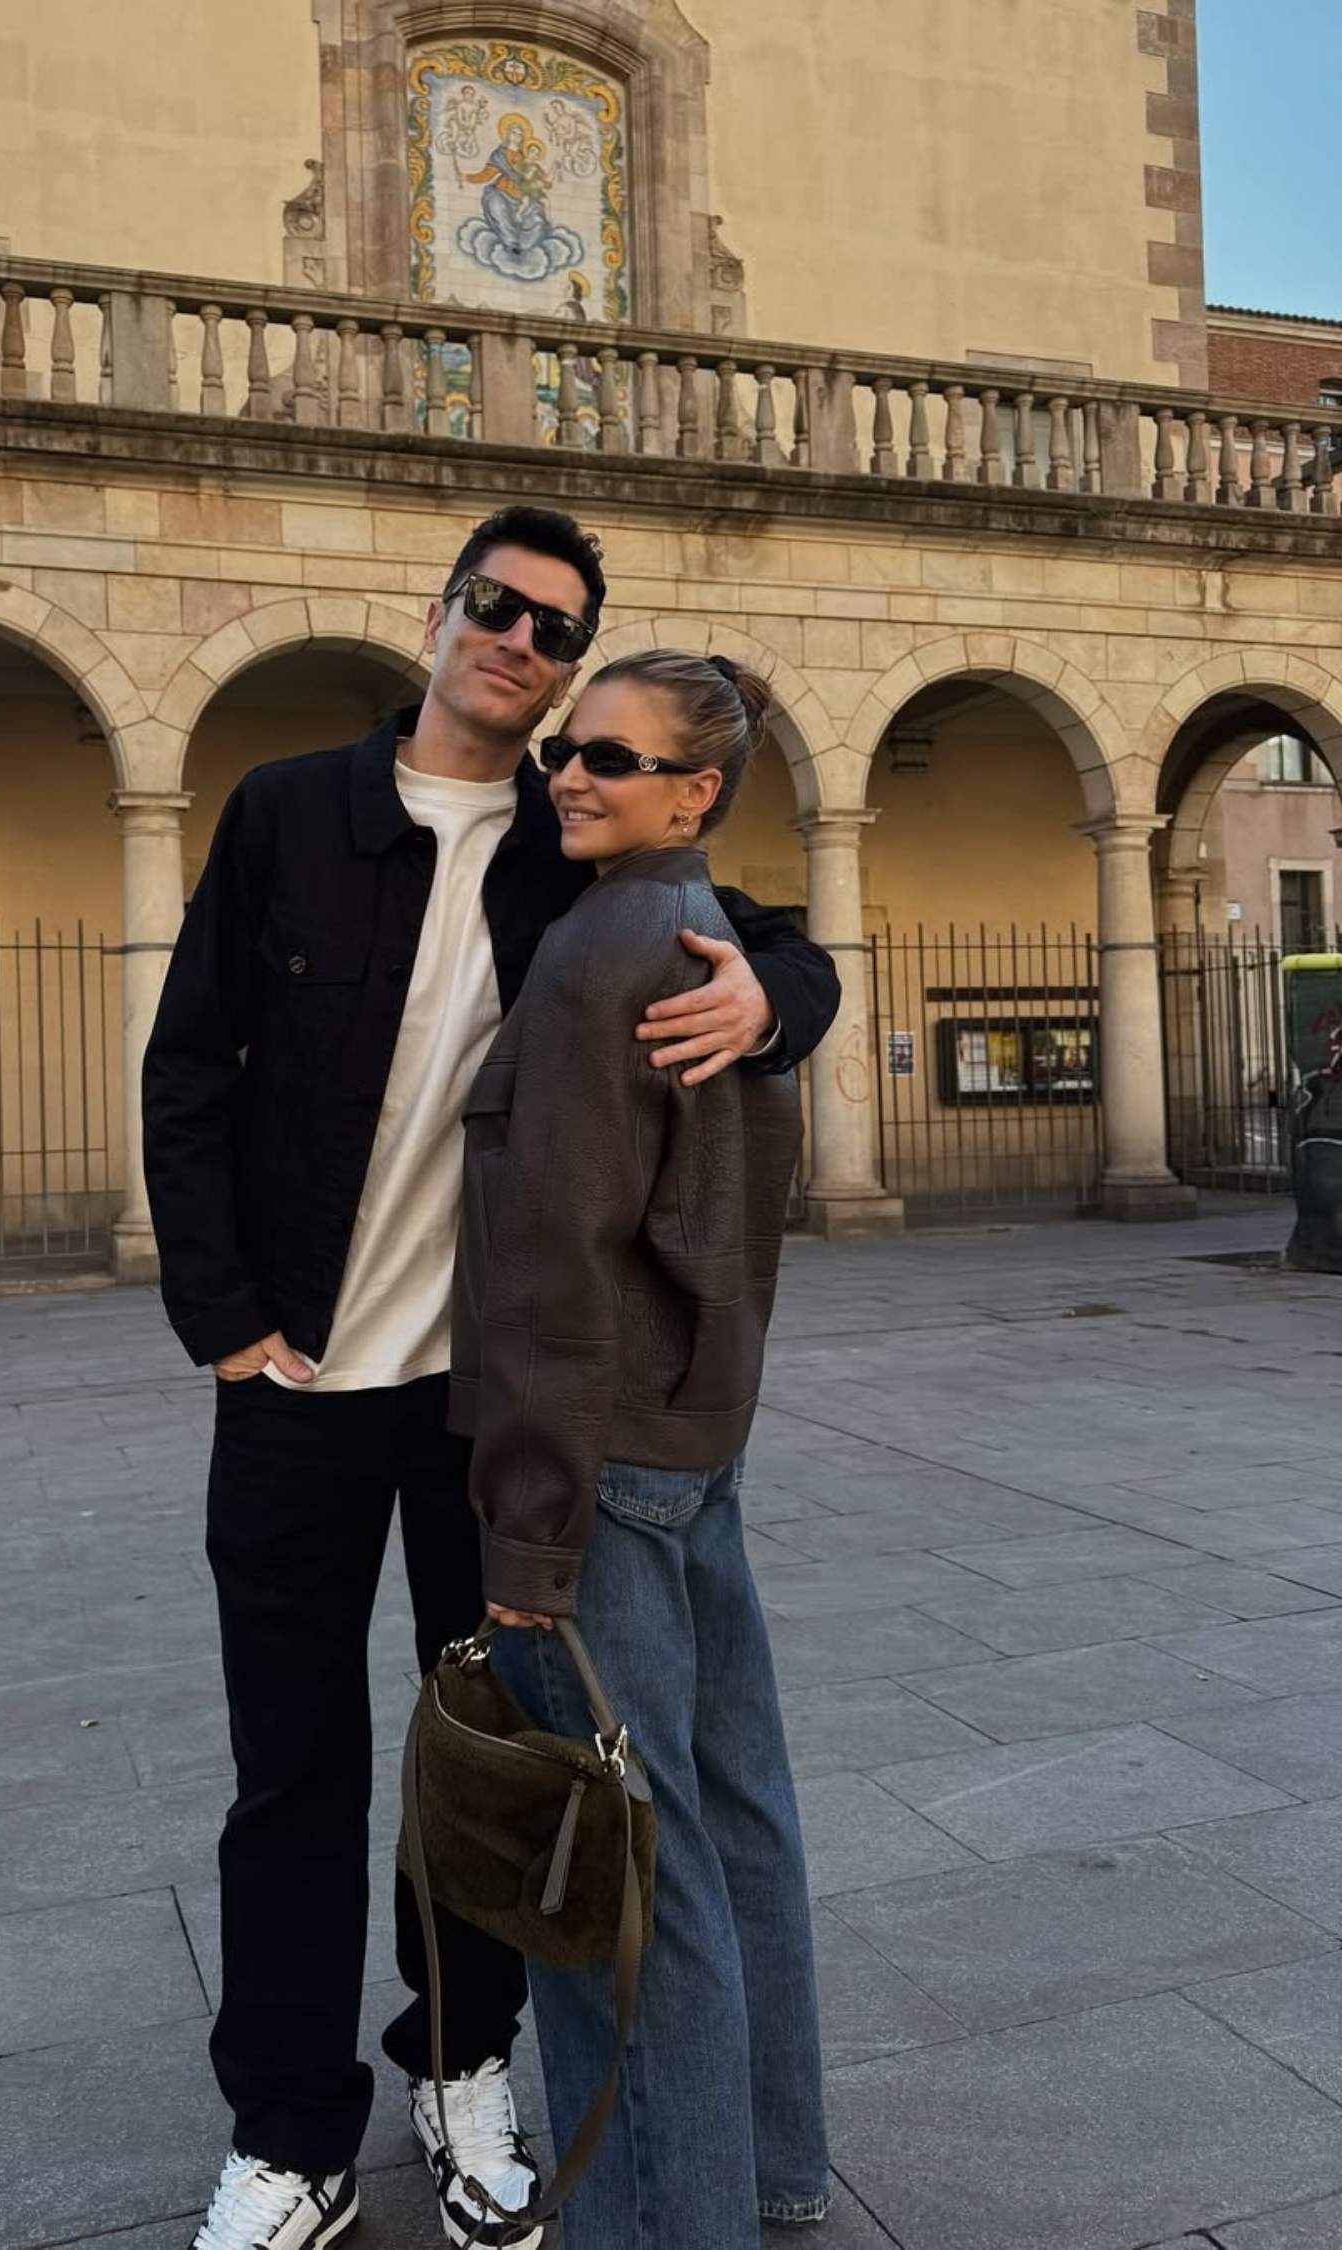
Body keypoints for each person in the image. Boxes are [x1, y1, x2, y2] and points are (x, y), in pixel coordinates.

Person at [143, 505, 840, 2250]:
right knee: (289, 1770)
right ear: (442, 612)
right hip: (298, 1383)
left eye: (558, 630)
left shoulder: (569, 837)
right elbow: (188, 1070)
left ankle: (465, 2075)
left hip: (484, 1405)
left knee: (494, 1777)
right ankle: (293, 2137)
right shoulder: (288, 812)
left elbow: (757, 929)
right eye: (501, 609)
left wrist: (782, 994)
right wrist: (224, 1314)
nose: (523, 645)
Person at [453, 649, 829, 2250]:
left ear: (697, 791)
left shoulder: (602, 951)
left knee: (625, 1861)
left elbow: (557, 1265)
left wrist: (528, 1539)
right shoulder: (703, 942)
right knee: (734, 1807)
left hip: (601, 1460)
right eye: (563, 750)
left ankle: (669, 2220)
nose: (571, 774)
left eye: (612, 756)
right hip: (694, 1436)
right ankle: (770, 2161)